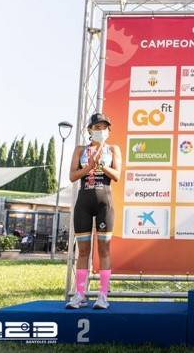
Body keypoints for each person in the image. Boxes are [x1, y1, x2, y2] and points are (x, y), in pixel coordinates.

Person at [66, 113, 121, 309]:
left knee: (104, 249)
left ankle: (103, 295)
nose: (100, 130)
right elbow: (72, 176)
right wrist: (89, 166)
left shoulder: (113, 149)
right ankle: (80, 295)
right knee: (83, 251)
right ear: (89, 130)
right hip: (84, 203)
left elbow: (117, 176)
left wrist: (101, 166)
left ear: (108, 130)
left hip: (104, 203)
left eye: (104, 127)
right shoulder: (80, 149)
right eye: (96, 127)